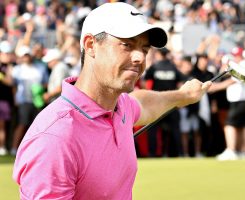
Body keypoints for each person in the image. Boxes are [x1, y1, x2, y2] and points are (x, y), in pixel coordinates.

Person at [13, 2, 211, 199]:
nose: (140, 58)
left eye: (144, 49)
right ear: (91, 45)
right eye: (127, 45)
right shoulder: (55, 138)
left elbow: (144, 102)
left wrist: (183, 96)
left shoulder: (120, 105)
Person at [143, 47, 182, 157]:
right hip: (171, 103)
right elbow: (180, 85)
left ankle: (152, 153)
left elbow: (144, 83)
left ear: (159, 54)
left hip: (156, 103)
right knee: (175, 130)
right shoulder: (173, 67)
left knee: (152, 130)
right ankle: (179, 153)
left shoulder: (154, 67)